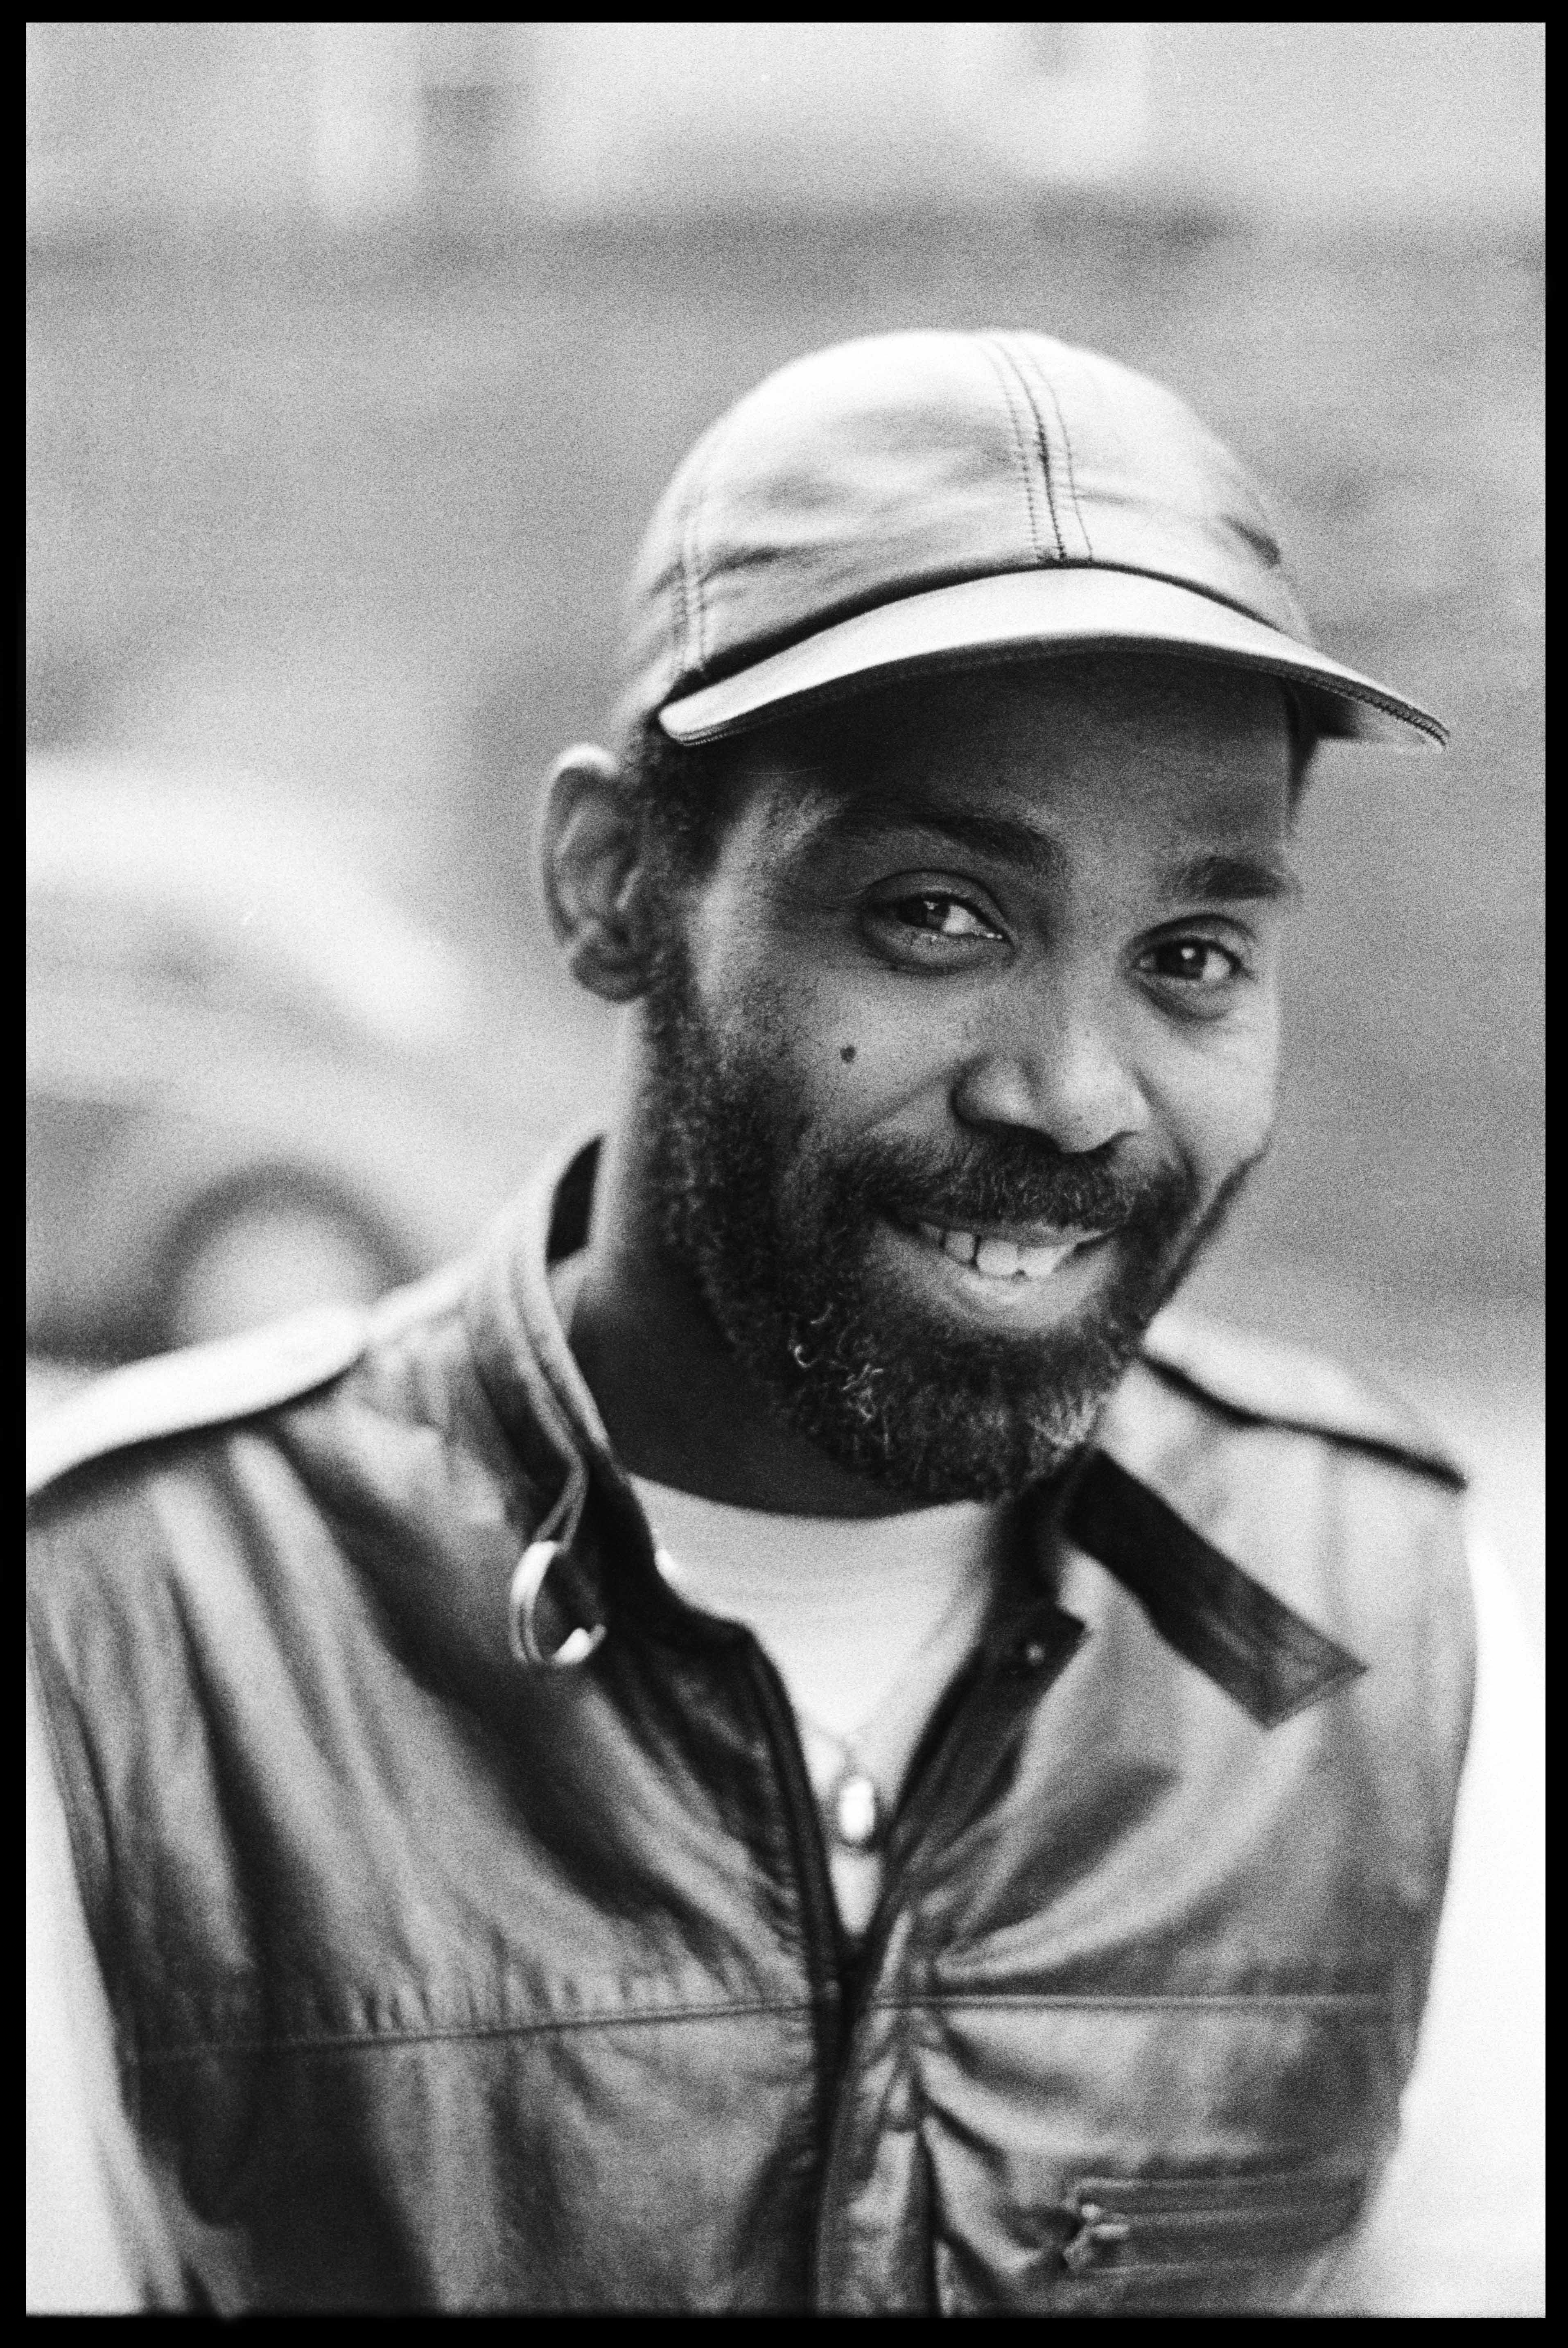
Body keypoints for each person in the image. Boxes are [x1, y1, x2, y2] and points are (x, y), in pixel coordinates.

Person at [26, 331, 1541, 2314]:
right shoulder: (130, 1617)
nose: (1074, 1088)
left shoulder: (1390, 1626)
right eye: (934, 912)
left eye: (1188, 955)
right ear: (614, 886)